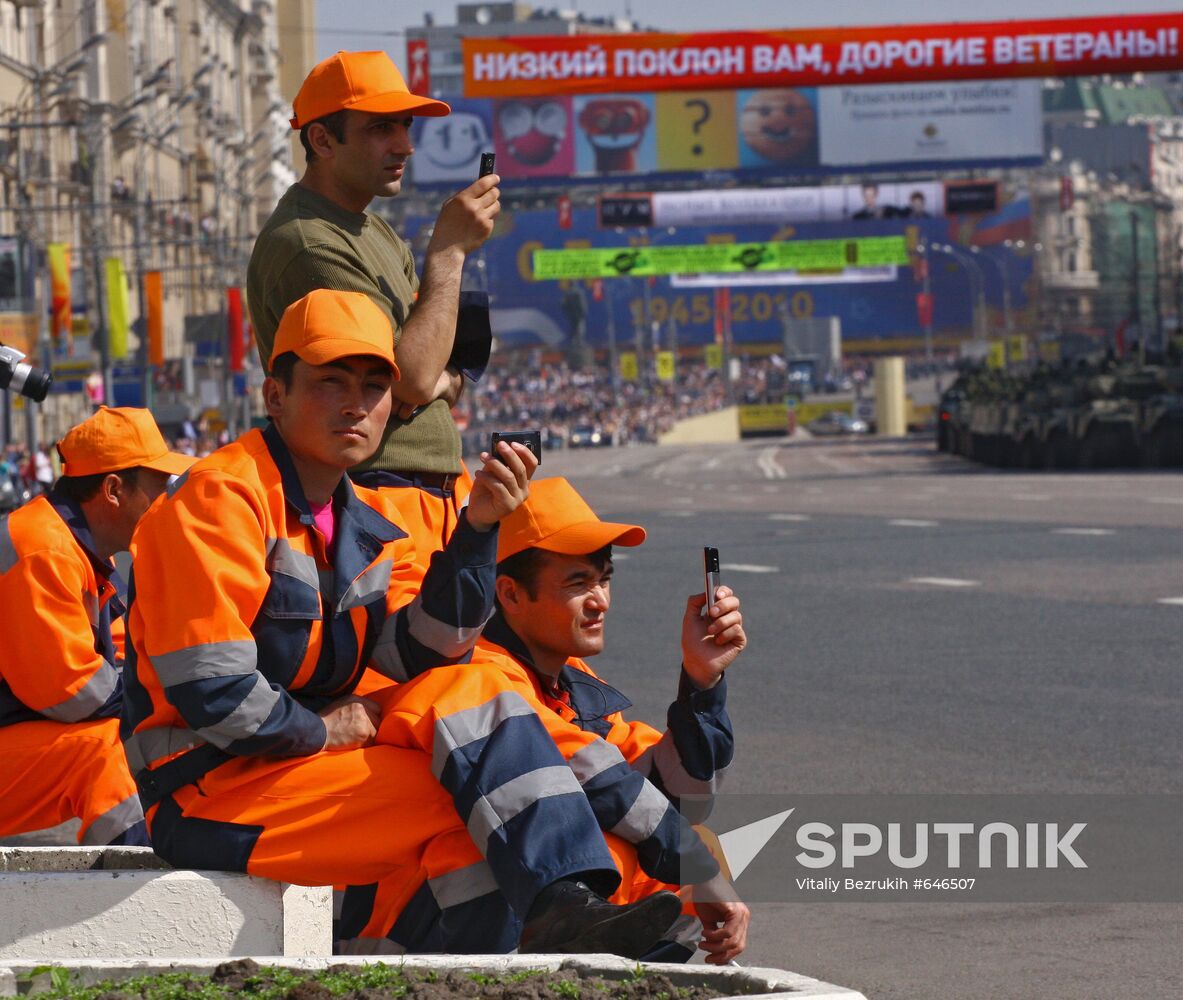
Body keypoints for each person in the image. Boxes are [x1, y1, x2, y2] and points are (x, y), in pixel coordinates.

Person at [122, 289, 682, 956]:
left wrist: (476, 531)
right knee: (484, 798)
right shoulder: (221, 498)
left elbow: (419, 655)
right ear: (275, 396)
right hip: (208, 792)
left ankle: (527, 933)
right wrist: (321, 730)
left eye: (374, 385)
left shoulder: (359, 520)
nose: (356, 404)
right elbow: (211, 688)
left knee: (479, 752)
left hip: (293, 775)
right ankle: (561, 917)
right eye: (331, 383)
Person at [476, 477, 751, 964]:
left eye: (603, 579)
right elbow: (603, 781)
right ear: (511, 594)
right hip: (443, 944)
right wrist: (698, 866)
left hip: (511, 926)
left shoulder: (568, 678)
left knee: (683, 843)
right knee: (644, 849)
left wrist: (701, 681)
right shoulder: (482, 673)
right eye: (577, 583)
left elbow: (680, 797)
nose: (600, 600)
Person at [247, 50, 499, 566]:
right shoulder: (310, 244)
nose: (405, 145)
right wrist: (449, 253)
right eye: (381, 129)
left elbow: (426, 369)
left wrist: (437, 379)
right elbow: (410, 379)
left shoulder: (370, 228)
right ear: (322, 140)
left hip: (423, 492)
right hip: (379, 495)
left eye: (405, 126)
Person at [0, 407, 194, 847]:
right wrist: (173, 702)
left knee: (147, 736)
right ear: (113, 490)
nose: (166, 500)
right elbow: (70, 690)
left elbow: (130, 656)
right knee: (106, 753)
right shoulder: (43, 548)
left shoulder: (80, 550)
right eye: (158, 487)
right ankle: (137, 904)